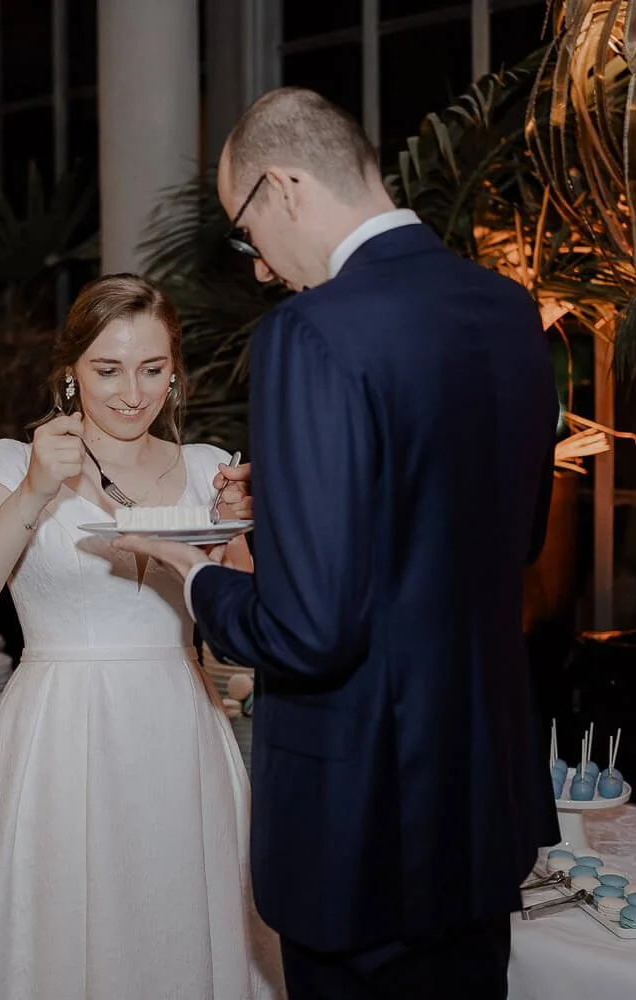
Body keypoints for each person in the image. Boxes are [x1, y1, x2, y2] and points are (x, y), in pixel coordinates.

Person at [116, 88, 560, 998]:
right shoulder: (509, 311)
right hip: (479, 805)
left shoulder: (311, 335)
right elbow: (505, 539)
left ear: (283, 186)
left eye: (247, 234)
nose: (262, 270)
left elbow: (312, 629)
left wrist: (196, 578)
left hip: (361, 825)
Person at [0, 274, 284, 999]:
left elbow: (240, 643)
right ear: (69, 374)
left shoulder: (206, 469)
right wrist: (34, 491)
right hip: (57, 735)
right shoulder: (10, 464)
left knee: (177, 933)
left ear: (175, 372)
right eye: (107, 369)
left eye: (153, 369)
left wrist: (241, 535)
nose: (133, 392)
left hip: (178, 734)